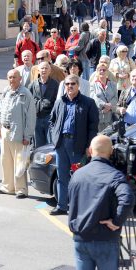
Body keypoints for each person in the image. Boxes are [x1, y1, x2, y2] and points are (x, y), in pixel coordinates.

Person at [68, 135, 135, 270]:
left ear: (90, 151)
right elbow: (127, 199)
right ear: (111, 152)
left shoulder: (77, 175)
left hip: (81, 238)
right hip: (105, 239)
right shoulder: (115, 175)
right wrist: (116, 222)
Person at [48, 74, 99, 215]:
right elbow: (51, 121)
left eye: (72, 84)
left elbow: (93, 127)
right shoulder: (60, 102)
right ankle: (62, 206)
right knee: (62, 177)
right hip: (61, 144)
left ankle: (80, 208)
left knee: (79, 179)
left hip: (78, 145)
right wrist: (54, 137)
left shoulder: (88, 103)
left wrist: (89, 146)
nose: (69, 86)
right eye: (67, 84)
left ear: (78, 85)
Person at [0, 69, 35, 199]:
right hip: (5, 132)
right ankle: (7, 187)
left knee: (20, 162)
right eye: (10, 77)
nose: (12, 80)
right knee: (6, 161)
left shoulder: (25, 94)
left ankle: (21, 189)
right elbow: (0, 110)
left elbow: (31, 117)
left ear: (20, 79)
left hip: (19, 133)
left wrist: (27, 136)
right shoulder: (5, 91)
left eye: (14, 77)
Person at [29, 62, 59, 148]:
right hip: (37, 117)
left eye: (46, 68)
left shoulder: (55, 84)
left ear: (50, 71)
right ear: (38, 70)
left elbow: (58, 101)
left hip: (49, 117)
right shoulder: (33, 84)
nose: (44, 70)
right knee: (38, 144)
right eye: (42, 68)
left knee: (50, 143)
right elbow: (28, 101)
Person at [90, 63, 118, 132]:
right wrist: (104, 105)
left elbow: (115, 98)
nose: (102, 71)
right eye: (100, 70)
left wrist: (109, 106)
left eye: (104, 70)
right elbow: (93, 98)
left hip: (110, 117)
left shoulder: (113, 84)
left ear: (107, 72)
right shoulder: (92, 85)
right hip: (98, 116)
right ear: (97, 71)